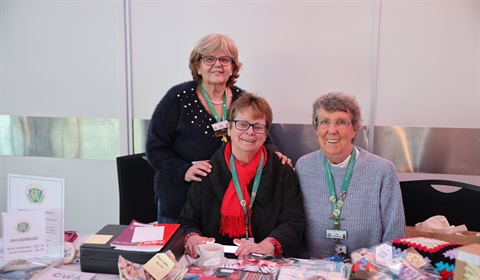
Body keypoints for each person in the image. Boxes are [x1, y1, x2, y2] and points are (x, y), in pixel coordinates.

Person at [146, 34, 290, 223]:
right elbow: (155, 148)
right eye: (209, 58)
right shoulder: (178, 97)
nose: (218, 64)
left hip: (225, 202)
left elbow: (262, 136)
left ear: (233, 67)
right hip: (180, 200)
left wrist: (274, 154)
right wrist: (183, 170)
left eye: (225, 59)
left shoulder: (242, 100)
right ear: (198, 65)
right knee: (176, 253)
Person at [178, 93, 305, 260]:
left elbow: (293, 222)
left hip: (267, 262)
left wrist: (267, 246)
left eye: (258, 127)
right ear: (229, 129)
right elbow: (188, 221)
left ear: (266, 133)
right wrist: (193, 237)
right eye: (242, 124)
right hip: (215, 262)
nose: (250, 132)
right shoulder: (207, 171)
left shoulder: (282, 171)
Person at [295, 92, 406, 259]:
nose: (332, 130)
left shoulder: (382, 171)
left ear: (355, 129)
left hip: (366, 273)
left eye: (341, 122)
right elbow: (292, 225)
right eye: (324, 122)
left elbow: (395, 237)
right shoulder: (303, 167)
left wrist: (370, 272)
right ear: (316, 128)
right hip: (313, 271)